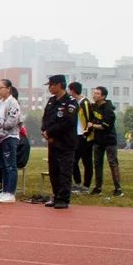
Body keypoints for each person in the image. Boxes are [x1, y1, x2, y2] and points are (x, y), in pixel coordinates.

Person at [40, 74, 77, 209]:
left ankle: (63, 198)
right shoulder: (51, 101)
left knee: (64, 171)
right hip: (52, 142)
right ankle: (56, 195)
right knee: (53, 170)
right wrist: (44, 130)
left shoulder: (70, 102)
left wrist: (50, 132)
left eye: (51, 85)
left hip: (65, 142)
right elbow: (46, 118)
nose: (49, 87)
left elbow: (68, 122)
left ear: (60, 85)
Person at [0, 79, 22, 203]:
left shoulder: (13, 103)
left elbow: (11, 122)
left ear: (8, 89)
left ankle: (10, 192)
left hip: (9, 137)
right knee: (2, 165)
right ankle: (4, 190)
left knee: (10, 166)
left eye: (1, 87)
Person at [88, 86, 123, 196]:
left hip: (109, 140)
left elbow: (105, 126)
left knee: (112, 163)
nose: (94, 95)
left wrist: (92, 125)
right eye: (94, 93)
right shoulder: (93, 107)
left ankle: (118, 188)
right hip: (98, 140)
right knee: (97, 164)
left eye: (97, 93)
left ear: (103, 96)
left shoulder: (108, 109)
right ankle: (98, 188)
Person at [68, 81, 93, 195]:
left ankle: (86, 186)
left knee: (87, 162)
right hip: (76, 136)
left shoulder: (85, 103)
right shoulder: (74, 102)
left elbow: (89, 120)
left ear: (73, 90)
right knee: (73, 160)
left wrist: (85, 134)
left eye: (69, 90)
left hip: (84, 137)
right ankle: (77, 183)